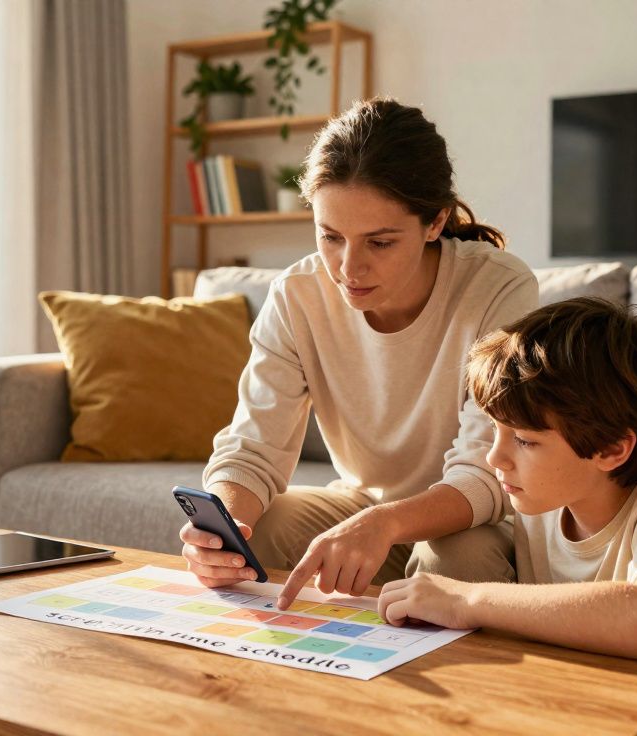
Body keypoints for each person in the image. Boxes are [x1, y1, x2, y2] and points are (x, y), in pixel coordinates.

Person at [377, 297, 637, 736]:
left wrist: (466, 600)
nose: (495, 457)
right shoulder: (542, 498)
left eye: (524, 441)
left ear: (613, 448)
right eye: (495, 430)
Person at [179, 97, 537, 609]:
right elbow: (253, 447)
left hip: (469, 521)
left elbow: (490, 473)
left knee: (453, 563)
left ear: (434, 222)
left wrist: (383, 523)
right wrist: (224, 527)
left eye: (380, 243)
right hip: (363, 506)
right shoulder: (297, 295)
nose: (349, 268)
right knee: (254, 535)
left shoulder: (498, 288)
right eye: (331, 237)